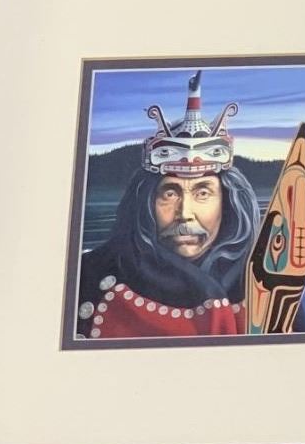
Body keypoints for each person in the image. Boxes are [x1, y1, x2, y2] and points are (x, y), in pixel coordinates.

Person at [75, 72, 260, 339]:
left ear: (228, 203)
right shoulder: (90, 274)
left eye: (203, 193)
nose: (184, 214)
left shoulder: (265, 281)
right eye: (170, 194)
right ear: (146, 202)